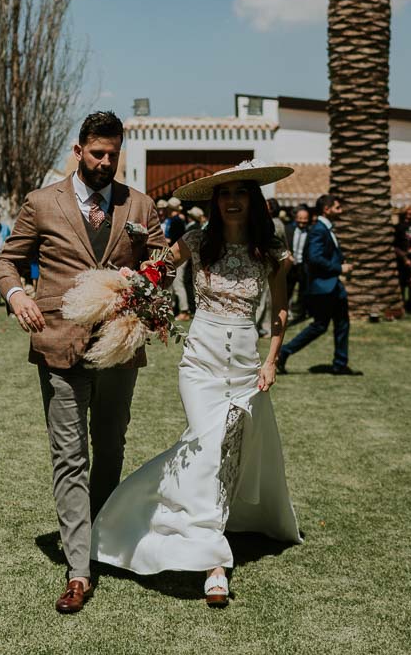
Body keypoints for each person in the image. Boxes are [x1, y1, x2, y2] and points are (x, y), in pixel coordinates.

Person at [93, 163, 301, 607]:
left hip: (246, 364)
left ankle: (203, 528)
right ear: (214, 200)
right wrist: (139, 291)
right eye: (223, 193)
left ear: (252, 200)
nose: (231, 201)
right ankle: (214, 564)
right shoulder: (195, 240)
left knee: (226, 449)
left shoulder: (272, 249)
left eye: (240, 193)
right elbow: (154, 272)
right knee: (206, 447)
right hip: (199, 362)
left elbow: (281, 311)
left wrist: (271, 362)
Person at [0, 110, 166, 614]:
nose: (105, 162)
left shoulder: (139, 203)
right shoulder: (42, 202)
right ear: (78, 149)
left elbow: (158, 265)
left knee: (110, 447)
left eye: (113, 154)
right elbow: (6, 260)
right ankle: (79, 569)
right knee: (71, 456)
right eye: (97, 153)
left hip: (119, 343)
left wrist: (146, 287)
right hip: (58, 343)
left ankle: (99, 534)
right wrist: (17, 295)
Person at [277, 194, 361, 376]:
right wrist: (340, 267)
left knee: (342, 324)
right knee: (319, 326)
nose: (341, 211)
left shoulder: (326, 228)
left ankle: (340, 363)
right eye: (338, 207)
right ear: (327, 209)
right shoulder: (319, 230)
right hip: (323, 287)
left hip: (333, 286)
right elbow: (315, 258)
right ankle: (284, 352)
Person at [286, 205, 312, 321]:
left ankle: (300, 314)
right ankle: (284, 312)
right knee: (287, 291)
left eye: (305, 219)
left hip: (303, 267)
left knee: (303, 292)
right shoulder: (288, 230)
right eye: (300, 219)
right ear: (295, 218)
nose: (302, 222)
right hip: (290, 266)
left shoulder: (311, 232)